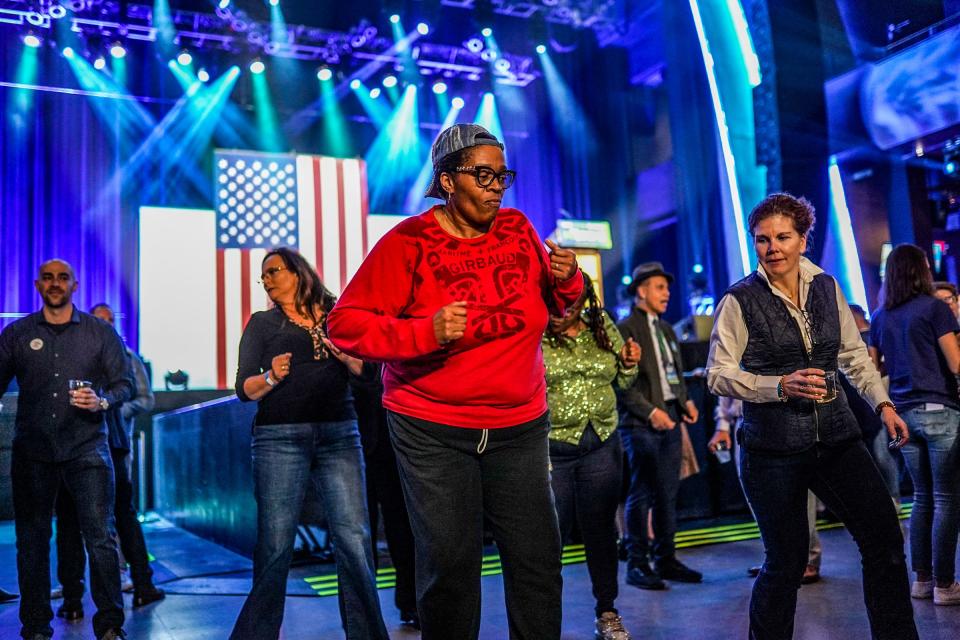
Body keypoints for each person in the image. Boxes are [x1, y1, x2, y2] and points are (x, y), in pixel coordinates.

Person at [327, 123, 583, 640]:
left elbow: (557, 309)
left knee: (537, 559)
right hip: (432, 428)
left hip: (520, 423)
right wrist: (425, 331)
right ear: (447, 180)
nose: (495, 187)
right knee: (450, 568)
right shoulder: (408, 241)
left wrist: (567, 279)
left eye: (501, 176)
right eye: (482, 174)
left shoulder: (517, 229)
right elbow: (344, 324)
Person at [706, 193, 916, 639]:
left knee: (885, 544)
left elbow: (855, 356)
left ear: (803, 239)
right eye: (762, 240)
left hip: (837, 437)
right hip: (771, 450)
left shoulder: (826, 286)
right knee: (786, 564)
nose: (772, 248)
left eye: (783, 237)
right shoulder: (738, 300)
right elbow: (718, 376)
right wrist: (776, 386)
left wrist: (884, 404)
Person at [229, 248, 388, 640]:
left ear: (298, 272)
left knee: (354, 540)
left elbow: (370, 373)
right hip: (279, 438)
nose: (266, 280)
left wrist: (348, 359)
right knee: (276, 544)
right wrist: (271, 376)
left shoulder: (339, 314)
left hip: (340, 435)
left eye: (273, 271)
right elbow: (244, 389)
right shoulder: (263, 323)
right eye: (262, 276)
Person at [0, 259, 132, 640]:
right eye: (48, 278)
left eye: (62, 278)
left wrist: (102, 401)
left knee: (101, 537)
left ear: (75, 285)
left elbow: (125, 386)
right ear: (37, 285)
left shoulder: (100, 333)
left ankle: (109, 626)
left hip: (87, 448)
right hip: (33, 452)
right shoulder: (17, 334)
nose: (55, 283)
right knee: (32, 541)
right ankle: (36, 626)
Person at [542, 272, 641, 640]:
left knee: (601, 532)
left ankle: (607, 612)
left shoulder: (601, 327)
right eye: (553, 301)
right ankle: (542, 622)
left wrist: (630, 363)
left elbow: (623, 381)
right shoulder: (534, 331)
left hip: (600, 442)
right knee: (549, 540)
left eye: (568, 303)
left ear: (584, 302)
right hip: (553, 449)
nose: (559, 310)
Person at [53, 303, 164, 622]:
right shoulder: (74, 353)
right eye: (98, 322)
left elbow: (143, 398)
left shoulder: (128, 359)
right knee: (72, 521)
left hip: (112, 444)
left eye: (109, 322)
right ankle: (73, 595)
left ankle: (140, 582)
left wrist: (111, 407)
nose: (104, 327)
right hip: (73, 444)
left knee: (119, 518)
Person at [869, 244, 960, 605]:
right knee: (948, 499)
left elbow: (875, 372)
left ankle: (921, 580)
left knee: (921, 498)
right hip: (940, 410)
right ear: (921, 270)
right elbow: (955, 364)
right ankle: (945, 585)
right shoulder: (935, 308)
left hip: (902, 415)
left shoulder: (879, 316)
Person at [616, 261, 702, 590]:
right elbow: (621, 383)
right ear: (641, 291)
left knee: (668, 492)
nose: (667, 293)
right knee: (642, 493)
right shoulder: (625, 328)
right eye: (659, 287)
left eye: (666, 287)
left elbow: (674, 373)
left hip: (670, 415)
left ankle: (665, 559)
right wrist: (651, 413)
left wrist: (685, 401)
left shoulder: (666, 329)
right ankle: (637, 563)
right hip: (640, 422)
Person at [708, 398, 823, 584]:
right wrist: (722, 425)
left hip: (785, 416)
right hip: (745, 420)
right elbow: (725, 382)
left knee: (797, 492)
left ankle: (807, 560)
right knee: (758, 495)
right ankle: (778, 559)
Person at [351, 361, 418, 628]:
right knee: (355, 537)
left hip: (396, 437)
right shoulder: (335, 322)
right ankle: (362, 616)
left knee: (404, 528)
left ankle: (411, 603)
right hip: (351, 437)